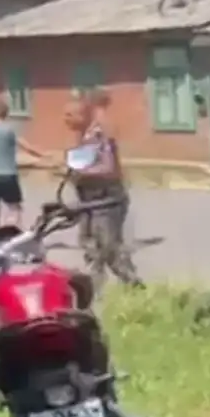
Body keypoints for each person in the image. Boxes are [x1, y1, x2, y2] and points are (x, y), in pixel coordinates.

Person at [63, 90, 143, 290]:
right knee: (92, 248)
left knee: (109, 250)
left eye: (70, 115)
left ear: (84, 114)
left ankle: (134, 286)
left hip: (106, 201)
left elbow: (108, 168)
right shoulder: (84, 135)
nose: (65, 120)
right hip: (89, 202)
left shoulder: (99, 134)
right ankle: (94, 293)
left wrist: (80, 172)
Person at [0, 96, 49, 231]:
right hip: (8, 175)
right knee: (14, 207)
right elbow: (26, 146)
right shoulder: (9, 130)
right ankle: (11, 233)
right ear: (6, 113)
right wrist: (43, 155)